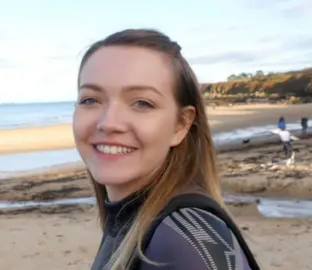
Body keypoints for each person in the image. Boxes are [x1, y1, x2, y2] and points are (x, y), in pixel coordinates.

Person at [72, 29, 259, 270]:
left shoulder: (182, 244)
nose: (109, 123)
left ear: (181, 124)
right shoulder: (134, 222)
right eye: (91, 100)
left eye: (142, 103)